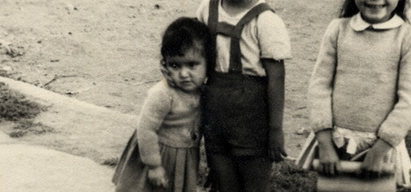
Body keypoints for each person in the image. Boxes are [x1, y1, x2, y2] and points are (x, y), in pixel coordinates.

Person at [297, 0, 411, 188]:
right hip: (335, 143)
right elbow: (319, 86)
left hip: (379, 149)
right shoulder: (338, 29)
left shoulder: (408, 37)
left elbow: (409, 100)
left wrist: (379, 151)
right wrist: (325, 143)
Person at [194, 0, 292, 191]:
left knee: (253, 184)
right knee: (223, 183)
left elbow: (276, 78)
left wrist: (275, 129)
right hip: (216, 118)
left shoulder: (266, 20)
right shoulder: (207, 9)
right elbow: (193, 55)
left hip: (252, 123)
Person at [111, 17, 214, 192]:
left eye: (192, 65)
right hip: (157, 155)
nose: (183, 74)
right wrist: (153, 166)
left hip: (183, 157)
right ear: (165, 63)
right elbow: (146, 129)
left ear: (207, 63)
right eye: (175, 65)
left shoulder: (203, 92)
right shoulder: (163, 94)